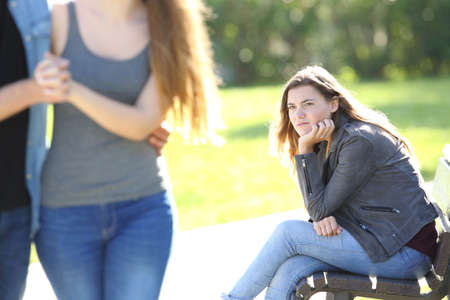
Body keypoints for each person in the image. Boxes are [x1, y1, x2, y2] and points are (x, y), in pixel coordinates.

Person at [33, 0, 220, 299]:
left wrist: (70, 89)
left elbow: (141, 123)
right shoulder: (59, 17)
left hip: (142, 209)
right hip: (64, 214)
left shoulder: (168, 22)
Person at [222, 65, 438, 300]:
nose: (298, 114)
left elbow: (318, 208)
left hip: (405, 254)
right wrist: (323, 216)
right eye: (292, 107)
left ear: (333, 104)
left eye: (308, 104)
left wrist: (304, 150)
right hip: (381, 241)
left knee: (288, 234)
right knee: (292, 268)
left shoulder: (358, 141)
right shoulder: (332, 138)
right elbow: (320, 211)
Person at [0, 1, 170, 299]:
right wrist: (42, 87)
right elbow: (44, 81)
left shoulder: (33, 9)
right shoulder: (53, 15)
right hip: (55, 209)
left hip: (18, 207)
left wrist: (148, 118)